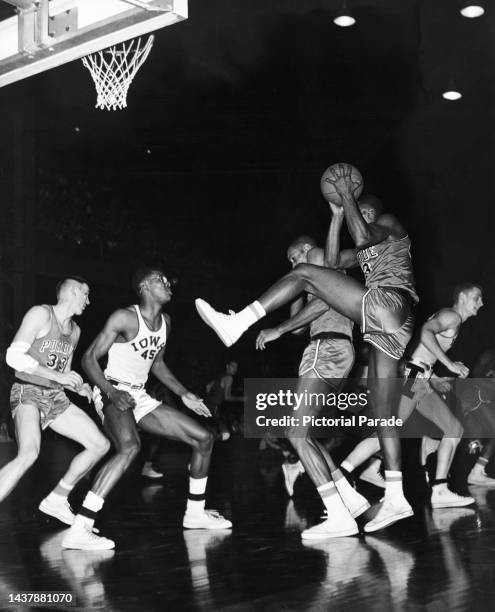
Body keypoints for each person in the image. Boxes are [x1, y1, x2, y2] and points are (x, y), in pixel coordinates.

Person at [196, 164, 418, 533]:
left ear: (373, 213)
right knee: (383, 413)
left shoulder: (389, 226)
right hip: (392, 328)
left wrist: (347, 196)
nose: (353, 217)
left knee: (302, 274)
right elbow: (331, 264)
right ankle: (397, 497)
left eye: (360, 213)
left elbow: (361, 237)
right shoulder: (365, 249)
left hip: (389, 304)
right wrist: (334, 217)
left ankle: (238, 322)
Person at [71, 267, 231, 551]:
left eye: (168, 280)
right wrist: (111, 392)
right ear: (144, 286)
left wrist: (185, 394)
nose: (168, 283)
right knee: (129, 447)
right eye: (161, 279)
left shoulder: (166, 322)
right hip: (110, 388)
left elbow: (157, 364)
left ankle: (195, 513)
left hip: (139, 395)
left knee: (204, 439)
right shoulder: (124, 317)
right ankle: (81, 526)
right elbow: (88, 359)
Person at [255, 217, 370, 539]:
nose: (293, 264)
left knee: (296, 432)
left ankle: (338, 516)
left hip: (328, 347)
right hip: (329, 347)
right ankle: (349, 497)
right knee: (303, 432)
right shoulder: (315, 280)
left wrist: (277, 328)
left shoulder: (321, 261)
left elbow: (321, 305)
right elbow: (301, 326)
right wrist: (294, 288)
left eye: (295, 257)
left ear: (309, 250)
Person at [340, 284, 483, 507]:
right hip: (414, 378)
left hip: (419, 377)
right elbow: (426, 332)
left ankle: (440, 490)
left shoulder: (451, 319)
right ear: (462, 297)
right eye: (477, 298)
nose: (481, 303)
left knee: (454, 429)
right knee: (391, 428)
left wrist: (433, 375)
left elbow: (419, 352)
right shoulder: (452, 316)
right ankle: (344, 472)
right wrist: (450, 365)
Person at [1, 277, 111, 548]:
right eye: (86, 294)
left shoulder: (74, 331)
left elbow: (63, 374)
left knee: (100, 444)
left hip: (55, 397)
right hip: (28, 391)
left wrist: (81, 386)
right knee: (29, 454)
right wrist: (57, 377)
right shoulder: (41, 314)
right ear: (73, 292)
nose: (88, 300)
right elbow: (14, 359)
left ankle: (57, 499)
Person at [205, 360, 245, 440]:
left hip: (206, 405)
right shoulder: (229, 378)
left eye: (236, 367)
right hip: (214, 408)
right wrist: (242, 398)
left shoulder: (221, 375)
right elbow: (227, 397)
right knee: (225, 434)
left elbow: (208, 386)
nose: (235, 369)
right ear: (227, 366)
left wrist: (212, 396)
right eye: (233, 366)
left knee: (209, 431)